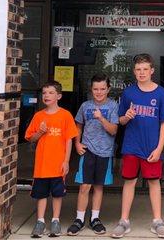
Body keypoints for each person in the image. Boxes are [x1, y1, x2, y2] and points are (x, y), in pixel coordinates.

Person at [111, 53, 164, 239]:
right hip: (131, 146)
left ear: (152, 70)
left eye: (145, 69)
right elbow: (120, 121)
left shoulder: (161, 93)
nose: (142, 72)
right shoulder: (128, 92)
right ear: (134, 71)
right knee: (129, 181)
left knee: (154, 182)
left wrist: (159, 148)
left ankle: (157, 222)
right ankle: (124, 221)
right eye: (138, 69)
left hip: (152, 147)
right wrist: (126, 117)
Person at [66, 73, 119, 236]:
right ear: (91, 89)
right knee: (84, 186)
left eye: (102, 89)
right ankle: (79, 219)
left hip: (104, 152)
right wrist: (77, 143)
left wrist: (101, 118)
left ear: (108, 89)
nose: (99, 92)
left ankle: (95, 218)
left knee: (98, 186)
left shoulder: (113, 106)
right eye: (96, 89)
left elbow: (114, 130)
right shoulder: (85, 106)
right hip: (87, 150)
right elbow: (78, 125)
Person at [25, 81, 78, 238]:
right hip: (42, 165)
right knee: (41, 194)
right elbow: (30, 138)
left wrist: (66, 161)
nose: (46, 95)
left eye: (50, 92)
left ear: (59, 96)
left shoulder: (65, 115)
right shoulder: (38, 116)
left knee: (57, 194)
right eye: (44, 93)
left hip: (58, 164)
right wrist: (40, 132)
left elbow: (69, 139)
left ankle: (55, 220)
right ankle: (40, 221)